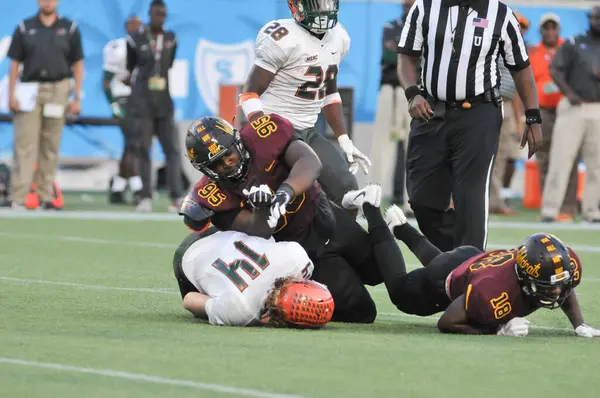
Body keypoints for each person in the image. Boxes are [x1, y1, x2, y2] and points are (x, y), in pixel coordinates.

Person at [180, 112, 382, 323]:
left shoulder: (262, 135)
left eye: (228, 155)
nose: (227, 164)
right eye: (217, 164)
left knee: (376, 269)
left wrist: (286, 191)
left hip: (320, 213)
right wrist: (261, 209)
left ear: (237, 142)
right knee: (362, 311)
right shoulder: (211, 194)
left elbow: (310, 162)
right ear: (205, 169)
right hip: (297, 250)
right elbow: (258, 231)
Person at [342, 184, 600, 337]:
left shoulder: (561, 264)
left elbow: (563, 286)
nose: (556, 292)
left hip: (470, 258)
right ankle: (371, 209)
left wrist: (579, 324)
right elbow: (447, 321)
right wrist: (497, 329)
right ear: (526, 277)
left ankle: (403, 229)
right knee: (400, 291)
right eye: (548, 286)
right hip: (455, 276)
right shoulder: (492, 292)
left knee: (446, 265)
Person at [397, 0, 542, 251]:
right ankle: (457, 257)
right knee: (422, 200)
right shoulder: (424, 7)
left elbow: (521, 69)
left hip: (479, 113)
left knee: (470, 197)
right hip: (432, 111)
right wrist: (412, 93)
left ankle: (469, 269)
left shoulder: (501, 14)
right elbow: (407, 56)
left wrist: (533, 118)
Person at [240, 0, 370, 210]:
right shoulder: (282, 38)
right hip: (277, 127)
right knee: (290, 197)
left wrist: (344, 139)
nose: (323, 10)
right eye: (315, 4)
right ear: (296, 5)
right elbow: (249, 93)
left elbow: (328, 92)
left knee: (347, 191)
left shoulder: (339, 36)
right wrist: (263, 131)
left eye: (326, 3)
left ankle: (338, 243)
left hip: (308, 131)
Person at [173, 227, 334, 328]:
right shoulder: (243, 311)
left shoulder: (297, 259)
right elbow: (189, 299)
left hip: (221, 231)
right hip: (187, 257)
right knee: (206, 311)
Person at [7, 0, 83, 210]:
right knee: (25, 144)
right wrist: (11, 93)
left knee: (51, 145)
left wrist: (77, 96)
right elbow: (14, 62)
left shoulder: (69, 28)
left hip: (57, 90)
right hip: (29, 90)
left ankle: (45, 194)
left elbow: (77, 62)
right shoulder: (25, 27)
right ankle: (19, 197)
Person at [541, 7, 600, 223]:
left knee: (597, 164)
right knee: (561, 160)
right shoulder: (575, 43)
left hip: (597, 108)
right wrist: (569, 93)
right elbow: (555, 69)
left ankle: (592, 211)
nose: (598, 22)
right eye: (596, 18)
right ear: (589, 19)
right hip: (573, 108)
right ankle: (549, 209)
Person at [126, 0, 183, 212]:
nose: (160, 17)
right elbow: (131, 67)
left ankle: (176, 196)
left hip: (164, 103)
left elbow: (168, 64)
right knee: (143, 149)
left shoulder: (171, 38)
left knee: (173, 150)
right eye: (156, 13)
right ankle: (145, 197)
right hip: (142, 102)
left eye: (163, 14)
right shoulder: (135, 39)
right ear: (149, 14)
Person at [529, 13, 578, 222]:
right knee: (544, 157)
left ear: (558, 30)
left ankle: (567, 207)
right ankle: (548, 204)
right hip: (543, 110)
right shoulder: (534, 52)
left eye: (553, 28)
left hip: (566, 108)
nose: (550, 32)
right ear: (541, 31)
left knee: (569, 157)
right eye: (546, 28)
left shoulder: (568, 49)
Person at [370, 0, 414, 212]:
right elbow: (389, 55)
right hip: (390, 89)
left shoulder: (425, 27)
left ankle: (410, 202)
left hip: (414, 93)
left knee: (414, 148)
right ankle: (374, 197)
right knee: (382, 147)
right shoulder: (391, 26)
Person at [102, 16, 142, 204]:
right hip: (123, 99)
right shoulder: (117, 48)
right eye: (132, 25)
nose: (136, 29)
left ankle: (117, 188)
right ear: (126, 28)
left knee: (130, 145)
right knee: (133, 142)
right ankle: (137, 187)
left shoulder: (144, 47)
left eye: (139, 25)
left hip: (140, 100)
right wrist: (113, 105)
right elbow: (106, 81)